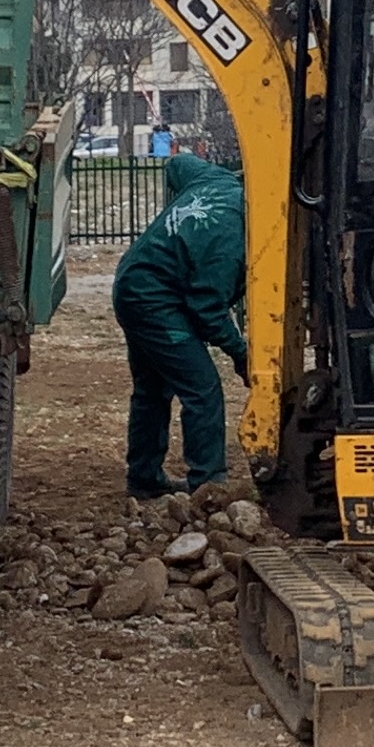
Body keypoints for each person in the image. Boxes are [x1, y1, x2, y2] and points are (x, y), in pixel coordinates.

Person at [113, 147, 247, 496]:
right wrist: (241, 354)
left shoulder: (217, 179)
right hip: (153, 301)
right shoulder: (230, 246)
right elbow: (206, 308)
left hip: (132, 279)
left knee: (152, 389)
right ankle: (208, 485)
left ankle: (143, 480)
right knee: (202, 389)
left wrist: (176, 224)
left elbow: (176, 163)